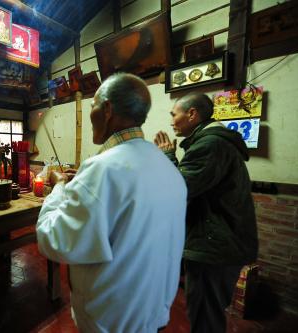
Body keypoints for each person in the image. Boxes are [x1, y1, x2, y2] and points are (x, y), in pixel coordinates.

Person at [36, 73, 187, 333]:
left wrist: (60, 186)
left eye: (93, 105)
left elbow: (54, 240)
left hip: (112, 320)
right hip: (151, 312)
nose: (92, 112)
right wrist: (82, 185)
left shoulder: (102, 169)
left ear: (106, 109)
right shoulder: (168, 167)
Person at [154, 93, 258, 333]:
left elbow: (179, 189)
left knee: (205, 315)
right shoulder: (210, 141)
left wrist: (168, 156)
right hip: (219, 242)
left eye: (174, 114)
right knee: (205, 310)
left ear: (192, 114)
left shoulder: (209, 145)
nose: (171, 121)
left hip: (214, 247)